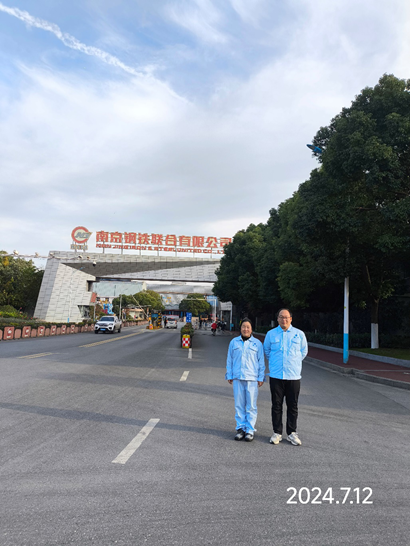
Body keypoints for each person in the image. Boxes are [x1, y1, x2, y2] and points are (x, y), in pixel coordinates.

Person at [264, 309, 308, 446]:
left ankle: (291, 433)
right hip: (276, 375)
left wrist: (293, 362)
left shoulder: (299, 334)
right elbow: (267, 351)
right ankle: (277, 432)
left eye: (286, 317)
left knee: (292, 406)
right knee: (276, 405)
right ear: (277, 319)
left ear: (291, 319)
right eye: (281, 317)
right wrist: (276, 363)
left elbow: (303, 351)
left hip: (293, 376)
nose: (284, 320)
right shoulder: (271, 334)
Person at [225, 318, 265, 442]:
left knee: (251, 405)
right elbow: (230, 359)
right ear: (240, 328)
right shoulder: (234, 342)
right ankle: (240, 428)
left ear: (251, 329)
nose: (245, 329)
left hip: (252, 378)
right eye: (243, 326)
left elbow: (261, 362)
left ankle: (250, 430)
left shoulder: (257, 343)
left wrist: (261, 377)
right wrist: (229, 375)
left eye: (248, 327)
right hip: (238, 377)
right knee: (239, 405)